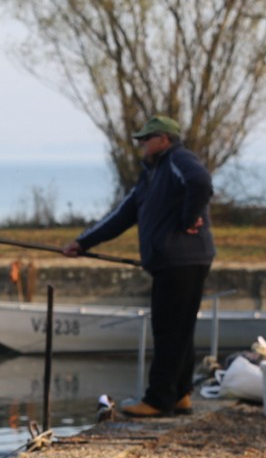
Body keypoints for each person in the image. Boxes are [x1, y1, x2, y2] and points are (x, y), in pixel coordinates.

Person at [61, 115, 214, 418]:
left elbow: (201, 183)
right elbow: (122, 214)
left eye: (147, 139)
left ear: (164, 139)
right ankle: (180, 394)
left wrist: (188, 218)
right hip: (173, 262)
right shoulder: (150, 175)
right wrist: (83, 242)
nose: (142, 144)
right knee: (179, 329)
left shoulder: (178, 159)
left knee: (168, 330)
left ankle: (158, 400)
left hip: (182, 259)